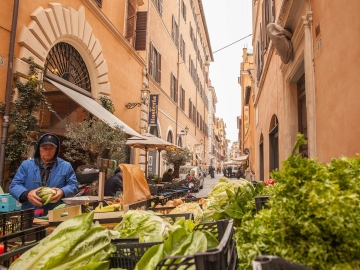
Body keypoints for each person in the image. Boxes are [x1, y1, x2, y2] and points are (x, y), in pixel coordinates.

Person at [9, 133, 78, 216]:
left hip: (56, 213)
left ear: (56, 149)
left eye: (52, 148)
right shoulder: (26, 165)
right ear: (39, 148)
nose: (48, 151)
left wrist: (62, 192)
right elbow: (14, 185)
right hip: (30, 214)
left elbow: (73, 185)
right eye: (44, 148)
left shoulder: (66, 166)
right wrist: (27, 194)